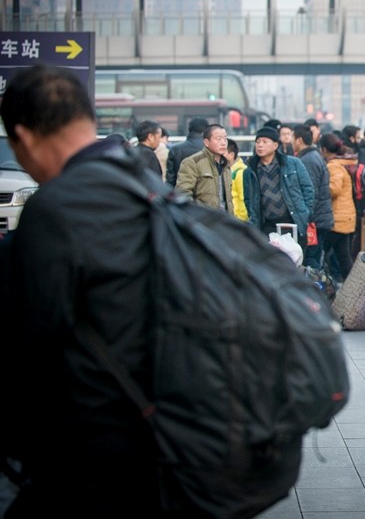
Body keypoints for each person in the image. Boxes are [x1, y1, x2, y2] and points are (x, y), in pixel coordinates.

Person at [0, 65, 164, 514]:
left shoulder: (54, 210)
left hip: (95, 445)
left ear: (24, 137)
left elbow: (33, 344)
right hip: (169, 434)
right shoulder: (149, 189)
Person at [244, 126, 316, 247]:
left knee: (295, 262)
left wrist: (306, 213)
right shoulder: (250, 171)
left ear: (275, 145)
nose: (260, 145)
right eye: (258, 142)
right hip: (267, 226)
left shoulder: (293, 164)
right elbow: (248, 199)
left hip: (294, 222)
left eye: (265, 142)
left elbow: (308, 190)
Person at [293, 125, 334, 267]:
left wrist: (306, 217)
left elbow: (311, 193)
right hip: (318, 218)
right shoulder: (312, 156)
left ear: (298, 140)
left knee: (311, 260)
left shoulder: (308, 160)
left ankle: (313, 288)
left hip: (314, 220)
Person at [318, 133, 356, 280]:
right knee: (344, 257)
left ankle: (321, 283)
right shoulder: (342, 163)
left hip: (337, 220)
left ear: (323, 150)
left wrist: (321, 187)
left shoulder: (333, 166)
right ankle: (352, 290)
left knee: (322, 252)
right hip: (345, 218)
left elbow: (335, 189)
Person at [175, 124, 234, 215]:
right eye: (218, 139)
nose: (223, 143)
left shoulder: (226, 165)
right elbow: (183, 193)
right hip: (204, 220)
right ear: (206, 142)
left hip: (224, 221)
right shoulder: (192, 162)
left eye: (225, 139)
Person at [165, 116, 209, 187]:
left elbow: (170, 178)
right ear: (206, 130)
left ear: (189, 129)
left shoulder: (175, 149)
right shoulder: (210, 148)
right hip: (205, 193)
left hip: (181, 192)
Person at [224, 139, 250, 222]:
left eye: (223, 153)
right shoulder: (227, 171)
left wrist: (240, 219)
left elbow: (243, 199)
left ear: (231, 155)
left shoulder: (240, 172)